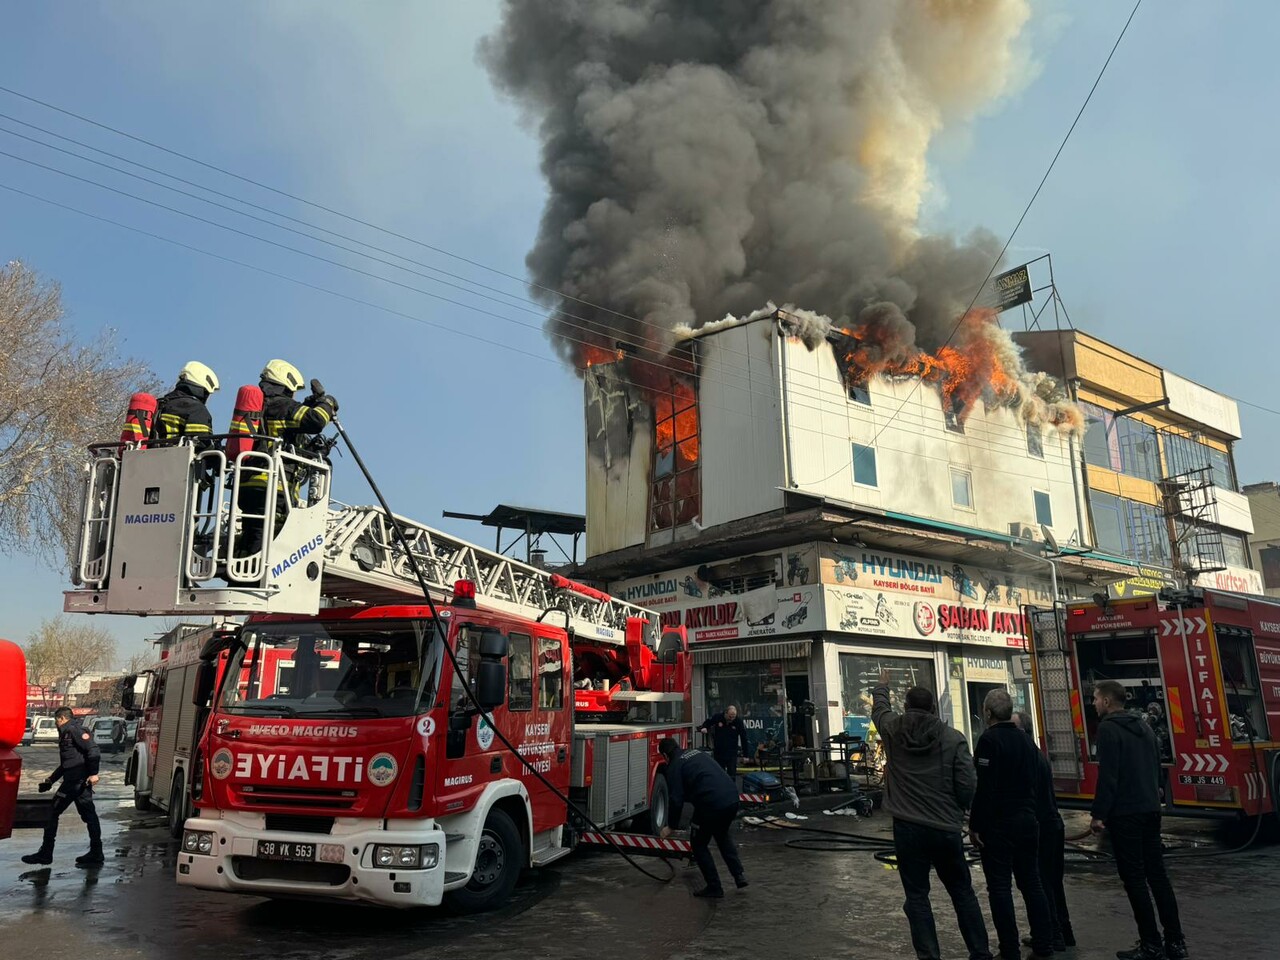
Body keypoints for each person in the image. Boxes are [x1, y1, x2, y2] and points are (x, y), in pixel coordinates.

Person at [872, 670, 993, 960]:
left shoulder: (893, 730)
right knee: (962, 893)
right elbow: (967, 782)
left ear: (906, 707)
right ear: (933, 709)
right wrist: (961, 810)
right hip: (944, 828)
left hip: (907, 828)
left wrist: (881, 686)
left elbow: (879, 711)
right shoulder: (953, 738)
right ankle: (980, 953)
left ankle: (929, 956)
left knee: (916, 897)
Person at [1090, 680, 1187, 960]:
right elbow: (1157, 764)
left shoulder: (1108, 729)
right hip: (1149, 809)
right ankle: (1176, 942)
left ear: (1108, 701)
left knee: (1134, 879)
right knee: (1158, 876)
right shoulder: (1143, 726)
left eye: (1096, 699)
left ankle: (1150, 944)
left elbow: (1109, 776)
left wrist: (1098, 815)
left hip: (1126, 814)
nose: (1093, 703)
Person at [970, 689, 1053, 960]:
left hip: (999, 826)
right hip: (1028, 822)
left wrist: (976, 825)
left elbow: (985, 788)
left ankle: (1009, 949)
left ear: (988, 712)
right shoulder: (1027, 742)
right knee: (1032, 882)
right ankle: (1044, 942)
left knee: (1000, 887)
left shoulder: (989, 741)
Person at [235, 359, 337, 558]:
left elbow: (283, 440)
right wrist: (328, 402)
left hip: (248, 484)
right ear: (287, 383)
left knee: (253, 532)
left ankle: (241, 573)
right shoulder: (282, 405)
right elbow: (316, 420)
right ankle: (253, 582)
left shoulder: (260, 406)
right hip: (274, 488)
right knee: (270, 538)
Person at [1013, 711, 1073, 951]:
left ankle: (1052, 934)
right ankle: (1063, 933)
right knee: (1052, 883)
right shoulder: (1038, 755)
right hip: (1051, 825)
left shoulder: (1029, 758)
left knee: (1041, 882)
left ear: (1023, 731)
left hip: (1043, 828)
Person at [658, 737, 746, 898]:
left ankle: (714, 887)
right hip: (732, 798)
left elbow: (676, 799)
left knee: (698, 844)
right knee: (721, 834)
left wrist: (671, 826)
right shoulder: (696, 753)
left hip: (711, 803)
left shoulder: (674, 766)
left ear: (665, 755)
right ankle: (739, 875)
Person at [21, 707, 103, 867]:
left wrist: (94, 773)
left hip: (76, 782)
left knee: (52, 811)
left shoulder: (74, 730)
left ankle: (46, 853)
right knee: (89, 815)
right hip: (75, 781)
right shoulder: (67, 732)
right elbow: (68, 763)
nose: (56, 725)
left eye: (56, 721)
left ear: (61, 719)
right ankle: (96, 852)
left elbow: (93, 750)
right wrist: (51, 780)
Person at [151, 361, 220, 449]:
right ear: (204, 390)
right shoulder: (196, 409)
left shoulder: (160, 403)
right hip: (177, 460)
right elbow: (201, 445)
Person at [697, 704, 749, 779]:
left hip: (732, 752)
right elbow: (708, 721)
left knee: (731, 774)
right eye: (730, 716)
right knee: (719, 773)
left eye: (733, 717)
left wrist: (746, 755)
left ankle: (731, 789)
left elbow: (744, 738)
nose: (731, 719)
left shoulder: (738, 722)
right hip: (719, 751)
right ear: (725, 713)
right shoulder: (718, 717)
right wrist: (704, 727)